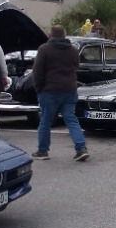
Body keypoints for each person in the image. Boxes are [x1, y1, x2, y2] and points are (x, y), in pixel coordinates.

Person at [31, 25, 89, 161]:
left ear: (50, 35)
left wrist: (38, 88)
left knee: (45, 121)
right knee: (71, 119)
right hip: (69, 90)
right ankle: (81, 148)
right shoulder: (73, 50)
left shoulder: (44, 49)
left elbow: (37, 71)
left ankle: (43, 151)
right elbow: (76, 66)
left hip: (49, 90)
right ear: (64, 35)